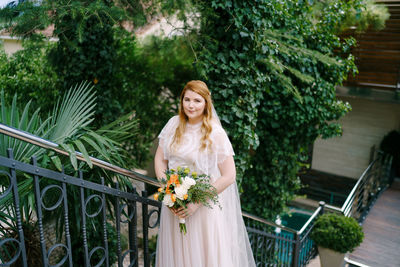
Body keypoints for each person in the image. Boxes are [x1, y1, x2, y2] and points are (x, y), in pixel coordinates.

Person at [154, 80, 256, 267]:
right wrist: (167, 189)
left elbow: (229, 175)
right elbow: (160, 159)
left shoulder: (215, 133)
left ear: (206, 103)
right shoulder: (173, 124)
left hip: (202, 210)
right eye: (187, 99)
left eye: (197, 101)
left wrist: (195, 203)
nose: (191, 105)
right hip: (174, 207)